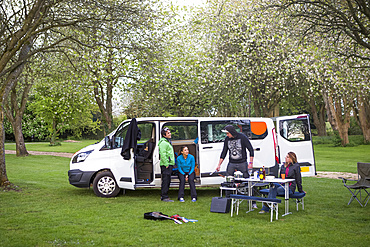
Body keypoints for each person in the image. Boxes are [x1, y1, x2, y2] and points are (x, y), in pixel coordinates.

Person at [216, 125, 255, 206]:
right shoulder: (227, 139)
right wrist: (219, 165)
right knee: (228, 181)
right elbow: (224, 152)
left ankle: (252, 201)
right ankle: (227, 201)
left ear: (232, 132)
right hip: (232, 163)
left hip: (242, 162)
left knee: (248, 180)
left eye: (228, 133)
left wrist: (251, 163)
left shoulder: (242, 137)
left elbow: (250, 149)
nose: (227, 135)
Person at [158, 127, 175, 202]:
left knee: (168, 180)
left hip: (169, 164)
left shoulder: (167, 142)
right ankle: (164, 196)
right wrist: (166, 164)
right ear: (164, 135)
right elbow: (162, 154)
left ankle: (165, 195)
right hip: (166, 165)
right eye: (168, 133)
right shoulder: (163, 143)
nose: (170, 134)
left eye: (170, 132)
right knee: (165, 180)